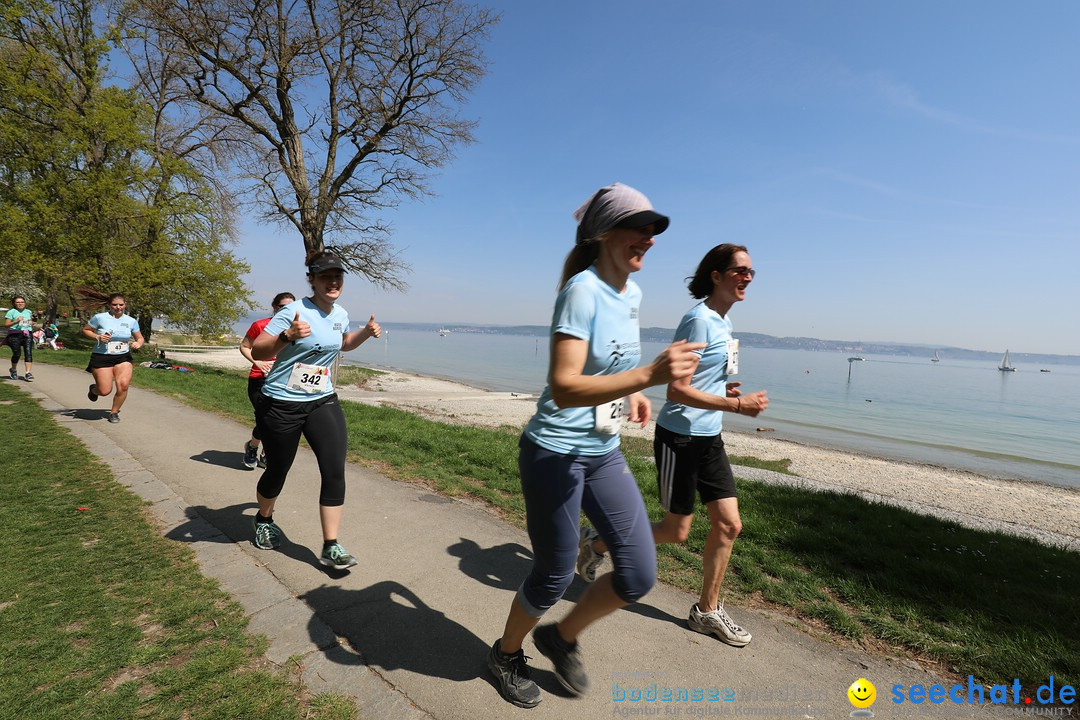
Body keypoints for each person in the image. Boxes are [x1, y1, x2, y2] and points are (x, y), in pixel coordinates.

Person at [487, 183, 703, 708]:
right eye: (639, 227)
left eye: (654, 229)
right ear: (605, 233)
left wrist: (633, 394)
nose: (649, 238)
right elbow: (564, 384)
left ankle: (560, 638)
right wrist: (648, 374)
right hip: (553, 454)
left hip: (602, 449)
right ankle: (505, 653)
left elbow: (606, 369)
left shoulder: (631, 293)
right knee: (555, 570)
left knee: (638, 573)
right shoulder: (581, 291)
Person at [577, 244, 768, 647]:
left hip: (709, 437)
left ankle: (706, 611)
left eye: (752, 271)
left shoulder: (723, 323)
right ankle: (596, 541)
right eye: (740, 270)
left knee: (730, 524)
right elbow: (677, 391)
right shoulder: (698, 320)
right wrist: (736, 404)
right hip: (680, 438)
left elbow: (699, 380)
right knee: (675, 531)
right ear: (716, 275)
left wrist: (723, 388)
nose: (748, 276)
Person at [249, 251, 381, 571]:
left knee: (334, 469)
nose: (333, 281)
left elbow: (341, 342)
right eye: (325, 276)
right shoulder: (293, 312)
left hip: (322, 399)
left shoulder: (340, 314)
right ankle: (264, 518)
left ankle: (331, 545)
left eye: (338, 276)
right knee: (278, 468)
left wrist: (363, 333)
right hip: (281, 403)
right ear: (312, 279)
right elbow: (258, 349)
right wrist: (287, 336)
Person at [238, 292, 296, 469]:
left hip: (285, 381)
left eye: (292, 308)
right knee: (265, 419)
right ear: (275, 308)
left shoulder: (297, 329)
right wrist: (258, 362)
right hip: (259, 380)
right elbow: (244, 346)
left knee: (276, 421)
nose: (289, 311)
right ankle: (252, 448)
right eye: (284, 307)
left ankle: (265, 453)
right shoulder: (260, 325)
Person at [83, 294, 145, 422]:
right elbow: (86, 330)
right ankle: (94, 390)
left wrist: (138, 343)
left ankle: (114, 412)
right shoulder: (99, 318)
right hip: (102, 356)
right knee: (105, 390)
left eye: (121, 305)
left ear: (125, 304)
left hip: (123, 356)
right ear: (109, 305)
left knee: (123, 385)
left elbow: (140, 337)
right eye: (115, 305)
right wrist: (98, 337)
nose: (118, 307)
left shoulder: (131, 321)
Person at [5, 296, 36, 381]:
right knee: (17, 354)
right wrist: (16, 321)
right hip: (15, 334)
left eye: (22, 302)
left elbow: (27, 322)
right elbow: (6, 325)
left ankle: (28, 373)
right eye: (18, 302)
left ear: (25, 303)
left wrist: (31, 323)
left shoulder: (28, 311)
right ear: (14, 303)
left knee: (28, 352)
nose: (20, 303)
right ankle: (13, 370)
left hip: (27, 334)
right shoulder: (11, 312)